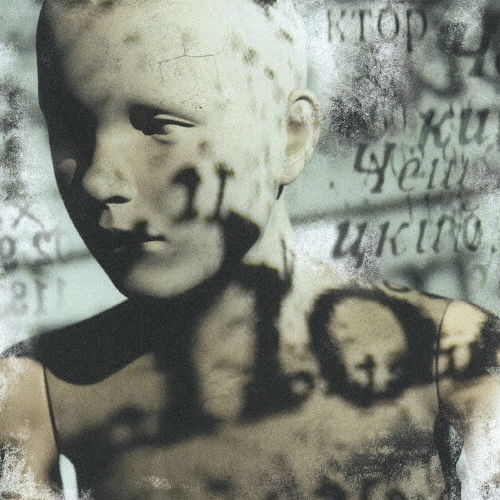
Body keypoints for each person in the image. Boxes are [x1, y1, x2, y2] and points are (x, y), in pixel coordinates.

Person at [1, 0, 500, 498]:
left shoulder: (450, 353)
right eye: (69, 127)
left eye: (158, 125)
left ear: (290, 136)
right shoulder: (32, 393)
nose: (99, 179)